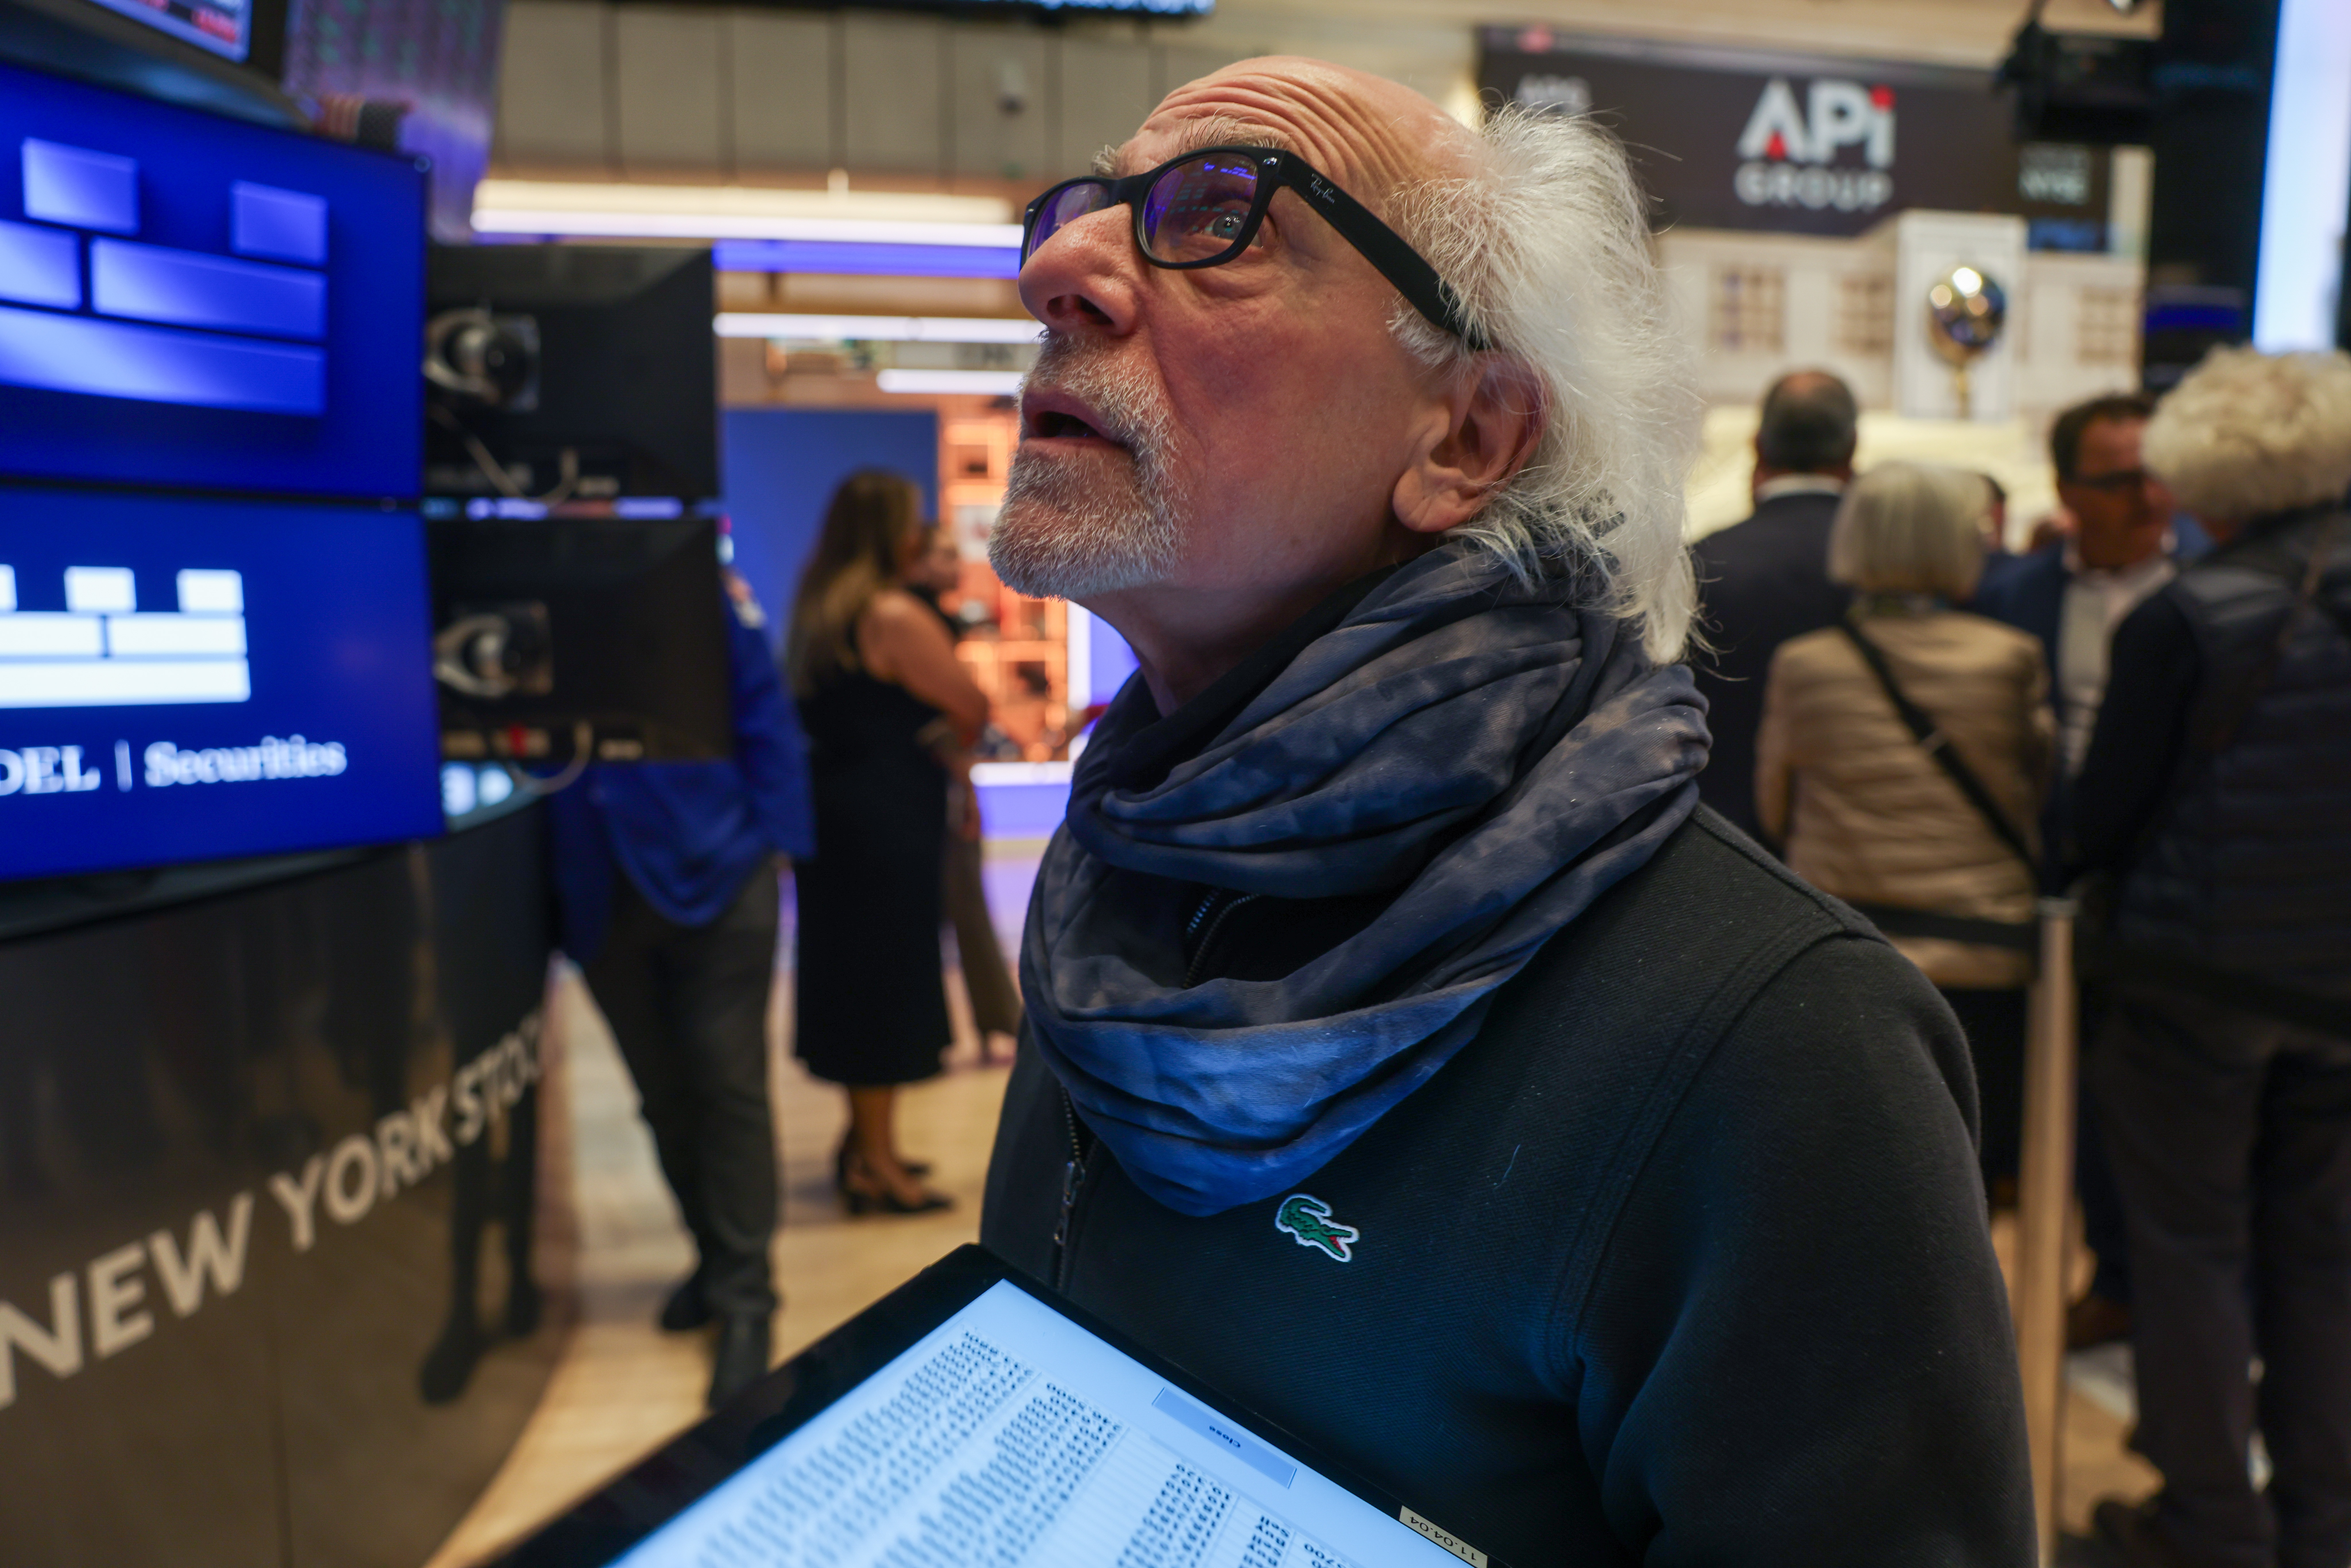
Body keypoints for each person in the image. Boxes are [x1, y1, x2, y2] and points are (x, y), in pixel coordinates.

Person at [977, 57, 2032, 1563]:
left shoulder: (1783, 1044)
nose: (1062, 268)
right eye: (1078, 213)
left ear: (1468, 438)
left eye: (1221, 215)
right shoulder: (1119, 887)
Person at [2072, 347, 2351, 1568]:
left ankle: (2207, 1527)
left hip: (2192, 983)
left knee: (2188, 1250)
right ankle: (2318, 1524)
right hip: (2336, 990)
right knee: (2318, 1254)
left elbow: (2100, 817)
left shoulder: (2186, 615)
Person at [548, 566, 814, 1408]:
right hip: (596, 890)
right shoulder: (520, 588)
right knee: (662, 1097)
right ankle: (714, 1256)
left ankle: (747, 1303)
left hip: (719, 872)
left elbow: (765, 713)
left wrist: (777, 846)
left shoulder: (693, 581)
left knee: (727, 1087)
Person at [1754, 464, 2053, 1196]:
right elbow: (2038, 796)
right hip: (1984, 953)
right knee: (1967, 1176)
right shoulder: (2009, 658)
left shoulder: (1806, 663)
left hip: (1848, 948)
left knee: (1851, 1174)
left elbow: (1773, 806)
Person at [1974, 392, 2179, 1346]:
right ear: (2066, 490)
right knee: (2077, 1094)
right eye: (2117, 479)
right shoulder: (2014, 595)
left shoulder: (2207, 587)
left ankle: (2160, 1286)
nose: (2146, 497)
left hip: (2176, 884)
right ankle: (2117, 1276)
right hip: (2048, 874)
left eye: (2152, 472)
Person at [788, 472, 988, 1216]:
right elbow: (972, 703)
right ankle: (877, 1166)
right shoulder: (893, 613)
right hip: (887, 823)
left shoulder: (821, 611)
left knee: (853, 980)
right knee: (887, 985)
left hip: (837, 821)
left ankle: (863, 1144)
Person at [1689, 369, 1860, 842]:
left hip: (1725, 836)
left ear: (1759, 447)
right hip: (1851, 842)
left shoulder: (1703, 562)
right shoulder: (1884, 570)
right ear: (1852, 450)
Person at [906, 525, 1024, 1057]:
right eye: (945, 555)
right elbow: (964, 711)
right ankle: (992, 1024)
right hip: (925, 793)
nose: (957, 565)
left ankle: (992, 1023)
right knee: (961, 909)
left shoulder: (933, 620)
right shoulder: (916, 622)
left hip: (935, 788)